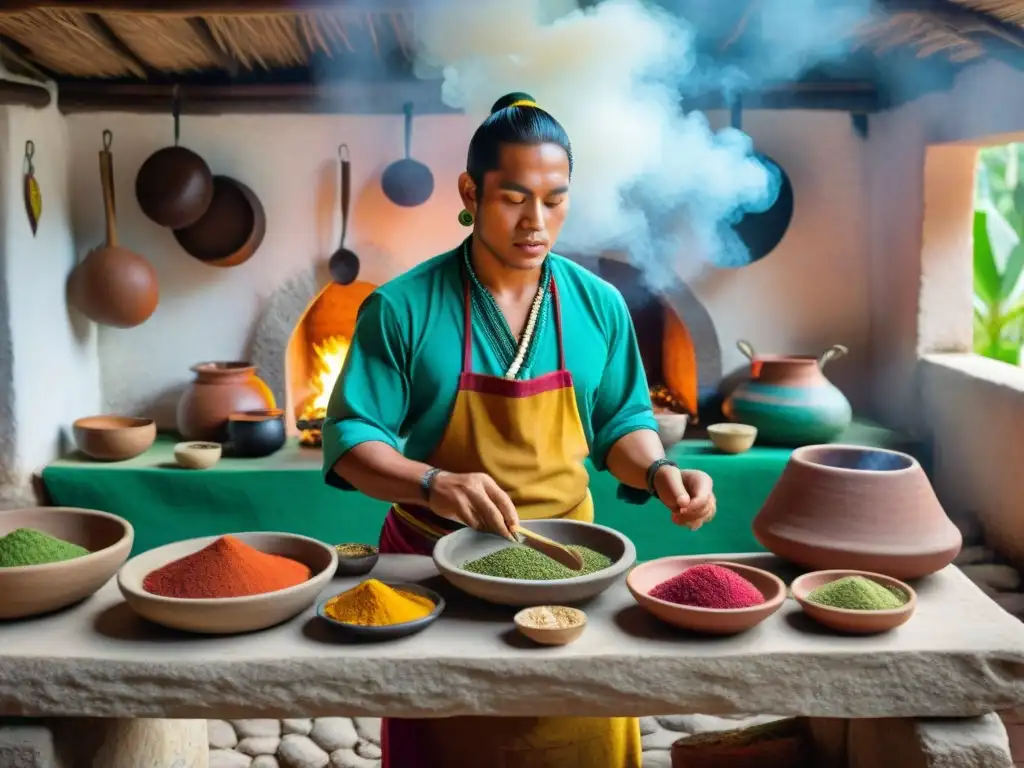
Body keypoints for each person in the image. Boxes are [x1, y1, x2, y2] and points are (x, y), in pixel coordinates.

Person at [322, 91, 717, 768]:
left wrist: (658, 472)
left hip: (570, 566)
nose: (537, 221)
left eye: (555, 198)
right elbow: (353, 441)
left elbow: (622, 421)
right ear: (471, 192)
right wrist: (432, 482)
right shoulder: (403, 306)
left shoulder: (600, 306)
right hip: (434, 568)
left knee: (581, 738)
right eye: (513, 197)